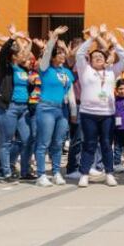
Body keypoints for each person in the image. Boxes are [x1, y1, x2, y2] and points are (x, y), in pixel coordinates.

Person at [74, 26, 124, 188]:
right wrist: (91, 39)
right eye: (94, 56)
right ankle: (84, 173)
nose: (98, 57)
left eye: (101, 56)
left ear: (105, 60)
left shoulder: (112, 71)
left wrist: (114, 42)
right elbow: (78, 54)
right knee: (89, 144)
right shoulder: (85, 70)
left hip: (107, 114)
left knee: (106, 144)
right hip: (88, 113)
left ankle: (109, 173)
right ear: (90, 60)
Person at [33, 26, 76, 187]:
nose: (63, 56)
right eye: (59, 54)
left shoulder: (66, 72)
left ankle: (57, 172)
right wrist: (54, 37)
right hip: (46, 108)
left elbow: (70, 92)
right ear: (52, 57)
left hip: (62, 109)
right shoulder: (45, 68)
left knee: (58, 143)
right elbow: (45, 56)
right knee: (43, 142)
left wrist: (73, 112)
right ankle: (41, 174)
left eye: (63, 53)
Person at [0, 32, 33, 181]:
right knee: (6, 141)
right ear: (14, 56)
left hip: (23, 109)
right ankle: (7, 172)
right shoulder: (6, 69)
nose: (25, 55)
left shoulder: (23, 70)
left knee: (27, 140)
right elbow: (3, 53)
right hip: (8, 108)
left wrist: (29, 43)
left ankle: (24, 171)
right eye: (21, 54)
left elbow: (28, 54)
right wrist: (13, 38)